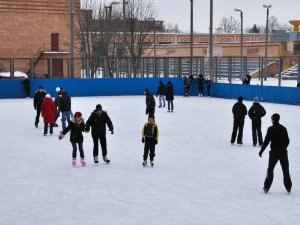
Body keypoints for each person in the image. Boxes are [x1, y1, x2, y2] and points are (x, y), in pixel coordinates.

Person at [259, 113, 292, 194]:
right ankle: (289, 188)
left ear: (273, 119)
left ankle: (266, 187)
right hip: (283, 152)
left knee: (270, 169)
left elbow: (266, 141)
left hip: (274, 152)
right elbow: (287, 140)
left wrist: (261, 150)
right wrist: (284, 147)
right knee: (285, 170)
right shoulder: (283, 128)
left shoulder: (270, 129)